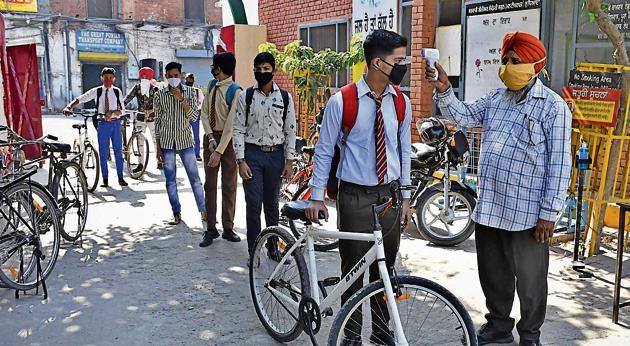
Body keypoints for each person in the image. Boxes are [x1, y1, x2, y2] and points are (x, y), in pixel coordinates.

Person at [426, 32, 572, 346]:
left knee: (531, 281)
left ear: (535, 65)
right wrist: (443, 89)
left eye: (515, 61)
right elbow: (462, 116)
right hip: (492, 207)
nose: (507, 67)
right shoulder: (496, 99)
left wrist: (549, 214)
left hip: (529, 214)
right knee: (493, 274)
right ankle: (498, 325)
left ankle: (530, 334)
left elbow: (560, 165)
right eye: (505, 60)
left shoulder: (553, 108)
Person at [306, 29, 412, 346]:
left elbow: (403, 150)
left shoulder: (401, 103)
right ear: (378, 63)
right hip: (354, 196)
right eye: (399, 60)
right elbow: (324, 150)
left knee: (385, 271)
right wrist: (316, 196)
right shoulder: (343, 101)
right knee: (352, 270)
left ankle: (381, 334)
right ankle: (350, 336)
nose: (403, 66)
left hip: (389, 197)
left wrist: (406, 197)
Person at [233, 52, 296, 259]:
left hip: (275, 156)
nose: (262, 73)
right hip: (252, 156)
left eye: (266, 69)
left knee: (271, 206)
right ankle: (254, 250)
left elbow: (290, 130)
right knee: (253, 205)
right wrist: (240, 161)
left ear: (274, 71)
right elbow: (238, 129)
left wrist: (289, 161)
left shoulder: (285, 98)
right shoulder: (246, 96)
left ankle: (272, 247)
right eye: (258, 69)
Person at [154, 62, 206, 225]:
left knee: (195, 178)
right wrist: (158, 147)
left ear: (181, 75)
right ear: (166, 77)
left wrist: (181, 99)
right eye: (170, 76)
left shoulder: (191, 92)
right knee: (170, 180)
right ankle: (176, 212)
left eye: (176, 76)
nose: (173, 79)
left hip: (185, 141)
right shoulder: (160, 94)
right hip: (167, 142)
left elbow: (193, 117)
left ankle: (204, 211)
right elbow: (158, 121)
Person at [199, 52, 242, 247]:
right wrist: (209, 138)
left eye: (214, 65)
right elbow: (205, 114)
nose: (212, 68)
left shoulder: (236, 91)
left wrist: (219, 150)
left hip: (228, 142)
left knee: (229, 185)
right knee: (210, 184)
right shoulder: (211, 86)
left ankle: (228, 227)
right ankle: (210, 228)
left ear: (221, 68)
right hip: (211, 139)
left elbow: (231, 125)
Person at [63, 67, 128, 188]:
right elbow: (81, 98)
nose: (108, 80)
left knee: (118, 152)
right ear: (101, 78)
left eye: (110, 78)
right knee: (103, 153)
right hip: (102, 124)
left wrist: (113, 113)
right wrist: (69, 106)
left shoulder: (117, 91)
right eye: (105, 78)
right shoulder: (97, 91)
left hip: (115, 124)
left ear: (114, 79)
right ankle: (105, 179)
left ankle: (120, 177)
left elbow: (123, 110)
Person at [124, 67, 162, 171]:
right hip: (140, 117)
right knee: (139, 141)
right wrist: (119, 108)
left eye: (146, 76)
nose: (144, 78)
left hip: (153, 119)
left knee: (156, 140)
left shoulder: (155, 90)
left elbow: (161, 105)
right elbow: (127, 99)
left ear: (150, 78)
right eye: (143, 76)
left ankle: (159, 161)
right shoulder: (137, 88)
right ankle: (140, 164)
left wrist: (151, 111)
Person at [185, 73, 205, 161]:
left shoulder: (197, 91)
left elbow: (202, 102)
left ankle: (196, 154)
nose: (189, 81)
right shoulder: (182, 90)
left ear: (193, 81)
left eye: (191, 80)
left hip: (195, 114)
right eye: (188, 79)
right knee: (185, 135)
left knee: (196, 135)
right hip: (184, 115)